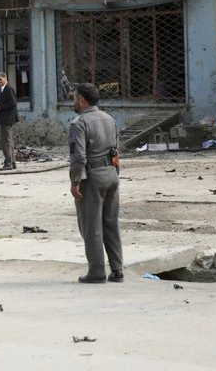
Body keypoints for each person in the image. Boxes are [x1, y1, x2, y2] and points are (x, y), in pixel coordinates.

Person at [69, 83, 123, 284]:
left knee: (91, 226)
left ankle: (97, 271)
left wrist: (75, 182)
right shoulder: (109, 119)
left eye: (74, 97)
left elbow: (79, 156)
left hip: (92, 177)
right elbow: (116, 149)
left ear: (82, 100)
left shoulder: (79, 123)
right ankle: (117, 270)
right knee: (111, 224)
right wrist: (114, 173)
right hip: (111, 174)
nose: (73, 101)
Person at [0, 72, 18, 171]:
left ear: (5, 78)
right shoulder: (3, 89)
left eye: (0, 79)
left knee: (6, 142)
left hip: (8, 119)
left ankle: (8, 163)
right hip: (5, 118)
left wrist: (0, 107)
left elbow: (13, 104)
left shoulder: (8, 89)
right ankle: (12, 162)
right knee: (9, 141)